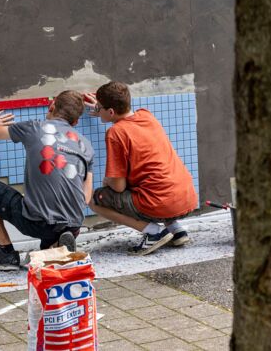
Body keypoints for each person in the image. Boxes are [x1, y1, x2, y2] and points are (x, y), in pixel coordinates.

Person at [0, 90, 94, 270]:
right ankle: (55, 246)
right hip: (74, 224)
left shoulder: (35, 128)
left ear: (52, 106)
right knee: (51, 219)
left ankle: (5, 252)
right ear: (75, 122)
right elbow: (86, 198)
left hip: (37, 223)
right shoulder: (86, 146)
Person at [85, 81, 198, 255]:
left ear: (111, 111)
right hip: (186, 198)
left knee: (93, 199)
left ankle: (154, 232)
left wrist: (108, 180)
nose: (96, 108)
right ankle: (176, 229)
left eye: (99, 106)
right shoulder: (146, 115)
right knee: (152, 182)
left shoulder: (115, 133)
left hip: (160, 203)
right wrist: (101, 109)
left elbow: (118, 187)